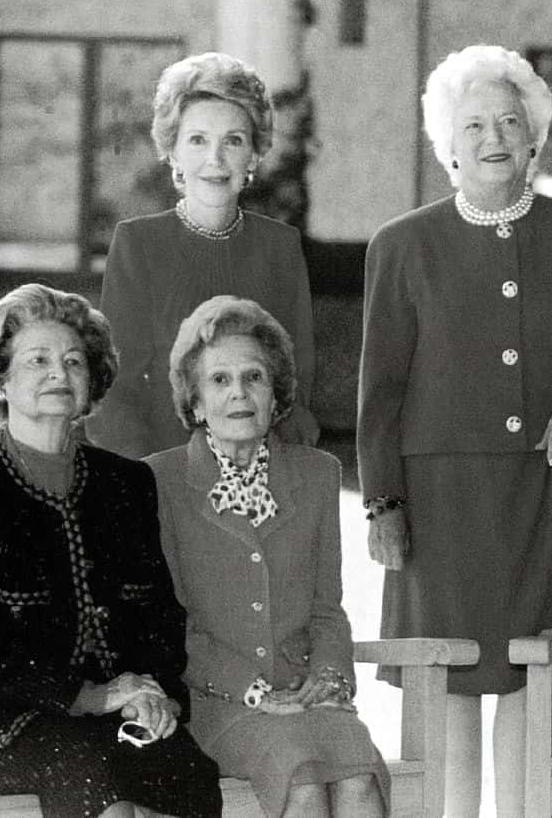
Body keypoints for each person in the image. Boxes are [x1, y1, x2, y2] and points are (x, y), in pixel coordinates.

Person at [357, 44, 552, 816]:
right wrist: (383, 503)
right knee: (444, 672)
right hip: (436, 497)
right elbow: (378, 389)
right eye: (473, 123)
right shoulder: (402, 244)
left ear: (534, 136)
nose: (493, 137)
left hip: (544, 488)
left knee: (531, 672)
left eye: (510, 121)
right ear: (446, 143)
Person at [0, 283, 221, 818]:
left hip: (106, 720)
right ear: (0, 381)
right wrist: (90, 697)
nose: (59, 372)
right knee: (90, 768)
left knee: (183, 770)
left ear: (90, 382)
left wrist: (157, 693)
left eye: (74, 361)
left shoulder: (125, 484)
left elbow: (156, 614)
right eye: (38, 360)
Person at [146, 296, 387, 818]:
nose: (239, 393)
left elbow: (327, 609)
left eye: (253, 377)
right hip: (216, 703)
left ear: (275, 395)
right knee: (302, 779)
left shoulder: (318, 474)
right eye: (219, 380)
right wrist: (254, 691)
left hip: (306, 697)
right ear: (194, 403)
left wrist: (329, 679)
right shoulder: (159, 482)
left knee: (361, 778)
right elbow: (172, 627)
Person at [88, 50, 318, 459]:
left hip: (259, 478)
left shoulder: (280, 247)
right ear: (173, 151)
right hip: (161, 475)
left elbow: (296, 386)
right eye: (197, 140)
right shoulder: (139, 244)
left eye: (233, 141)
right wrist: (145, 482)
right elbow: (116, 392)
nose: (215, 160)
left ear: (254, 154)